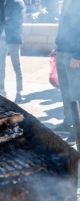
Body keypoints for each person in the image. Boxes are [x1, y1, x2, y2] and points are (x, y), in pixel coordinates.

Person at [50, 0, 80, 145]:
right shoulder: (67, 2)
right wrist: (58, 47)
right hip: (62, 51)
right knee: (65, 91)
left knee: (76, 94)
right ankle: (68, 122)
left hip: (73, 54)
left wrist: (78, 54)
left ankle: (78, 131)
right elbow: (64, 27)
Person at [0, 0, 24, 103]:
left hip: (13, 39)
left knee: (17, 67)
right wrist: (4, 19)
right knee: (0, 66)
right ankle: (2, 90)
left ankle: (19, 93)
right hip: (0, 39)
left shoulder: (18, 2)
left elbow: (15, 22)